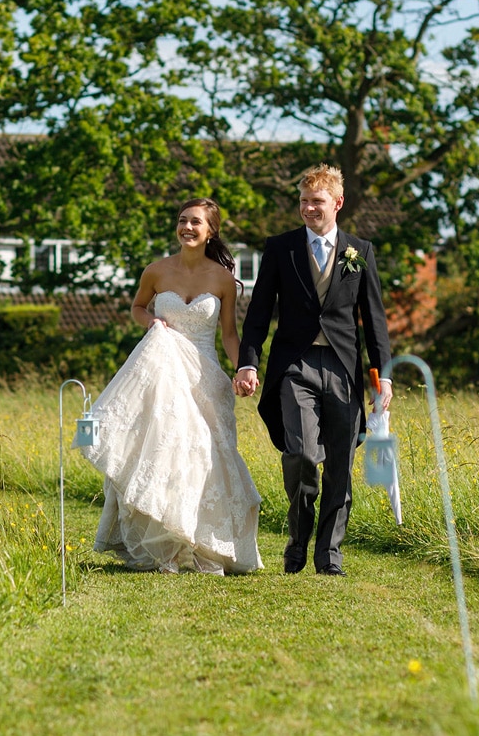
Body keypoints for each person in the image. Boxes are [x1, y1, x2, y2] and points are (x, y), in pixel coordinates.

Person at [77, 197, 263, 575]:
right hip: (162, 370)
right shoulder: (156, 271)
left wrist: (244, 368)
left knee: (205, 453)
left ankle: (202, 545)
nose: (187, 228)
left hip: (203, 373)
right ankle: (164, 547)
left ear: (211, 230)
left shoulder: (223, 279)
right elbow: (137, 308)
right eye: (182, 221)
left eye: (196, 222)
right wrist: (151, 323)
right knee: (168, 448)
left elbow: (229, 334)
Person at [233, 164, 393, 577]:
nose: (307, 208)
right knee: (302, 454)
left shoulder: (361, 251)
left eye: (316, 201)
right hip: (295, 367)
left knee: (340, 462)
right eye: (303, 201)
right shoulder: (280, 248)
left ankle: (329, 555)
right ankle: (298, 540)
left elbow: (374, 319)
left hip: (343, 369)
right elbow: (259, 312)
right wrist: (249, 361)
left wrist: (383, 375)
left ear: (337, 203)